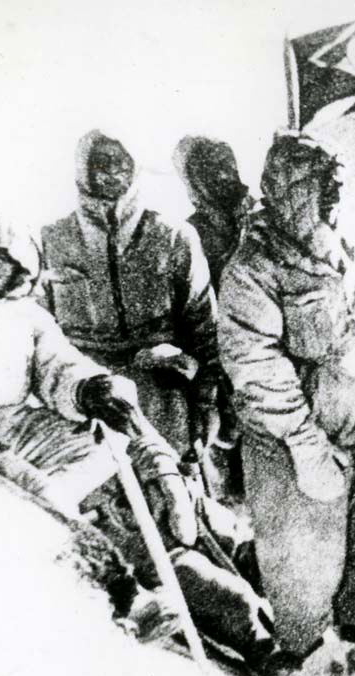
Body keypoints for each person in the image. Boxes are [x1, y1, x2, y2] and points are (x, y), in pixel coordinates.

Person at [0, 214, 273, 667]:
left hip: (21, 424)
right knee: (46, 499)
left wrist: (88, 387)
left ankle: (247, 557)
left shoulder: (25, 316)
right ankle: (148, 595)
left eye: (6, 258)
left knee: (119, 463)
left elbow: (57, 364)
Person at [217, 132, 355, 676]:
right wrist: (304, 441)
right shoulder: (251, 269)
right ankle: (306, 646)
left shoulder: (339, 249)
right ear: (289, 190)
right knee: (302, 548)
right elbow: (255, 364)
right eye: (321, 185)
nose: (334, 196)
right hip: (290, 434)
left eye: (336, 185)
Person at [39, 129, 219, 458]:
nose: (111, 172)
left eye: (120, 162)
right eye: (100, 162)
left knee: (170, 476)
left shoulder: (173, 235)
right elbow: (39, 330)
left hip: (164, 391)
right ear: (83, 168)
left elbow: (203, 324)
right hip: (90, 391)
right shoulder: (52, 240)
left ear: (135, 167)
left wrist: (206, 401)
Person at [172, 135, 254, 500]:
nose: (223, 175)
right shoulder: (190, 234)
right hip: (223, 347)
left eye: (227, 164)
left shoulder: (262, 216)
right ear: (194, 180)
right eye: (210, 169)